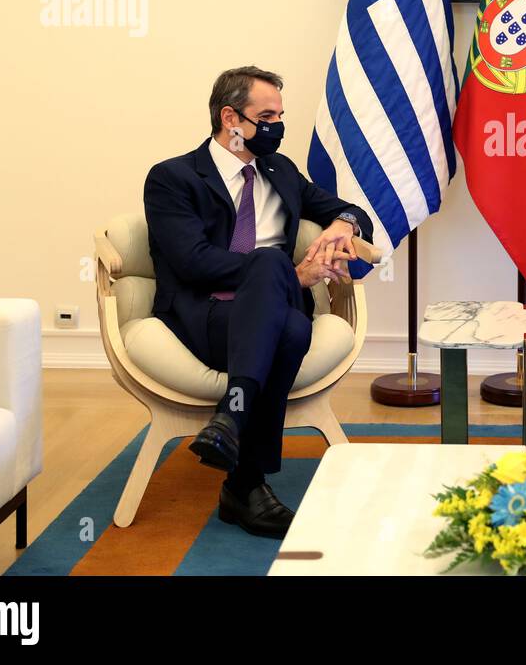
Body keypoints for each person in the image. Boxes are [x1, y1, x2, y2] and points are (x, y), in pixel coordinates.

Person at [143, 66, 372, 538]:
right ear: (230, 117)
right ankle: (245, 483)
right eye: (266, 115)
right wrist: (291, 274)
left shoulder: (280, 171)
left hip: (269, 313)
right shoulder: (173, 178)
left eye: (281, 115)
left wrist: (344, 224)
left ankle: (235, 432)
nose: (278, 126)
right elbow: (193, 262)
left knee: (285, 316)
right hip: (206, 314)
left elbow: (350, 211)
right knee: (278, 292)